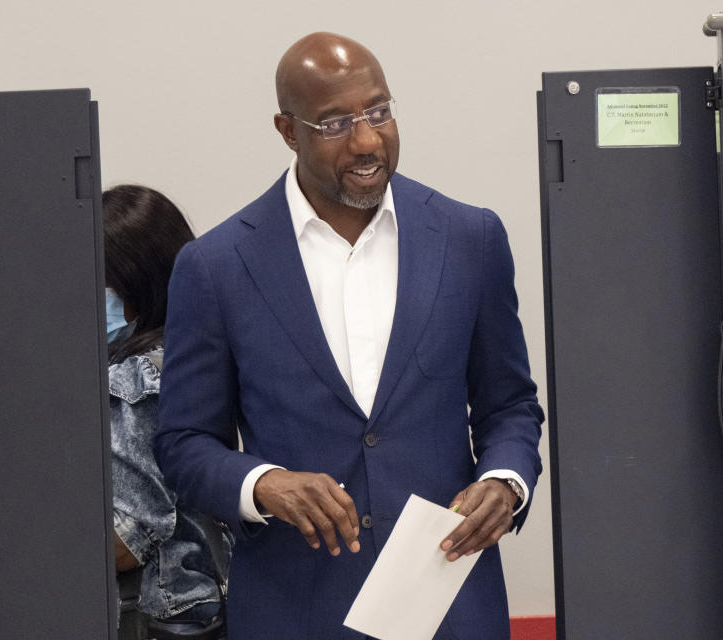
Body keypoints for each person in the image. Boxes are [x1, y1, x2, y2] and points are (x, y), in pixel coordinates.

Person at [155, 33, 543, 640]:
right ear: (288, 130)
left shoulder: (471, 239)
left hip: (449, 606)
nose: (367, 141)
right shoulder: (217, 267)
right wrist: (263, 485)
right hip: (294, 610)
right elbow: (181, 444)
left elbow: (511, 406)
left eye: (379, 112)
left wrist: (506, 481)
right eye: (335, 123)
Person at [104, 184, 229, 640]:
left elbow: (129, 538)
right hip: (197, 605)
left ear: (137, 282)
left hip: (156, 615)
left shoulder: (135, 377)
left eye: (103, 281)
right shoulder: (189, 357)